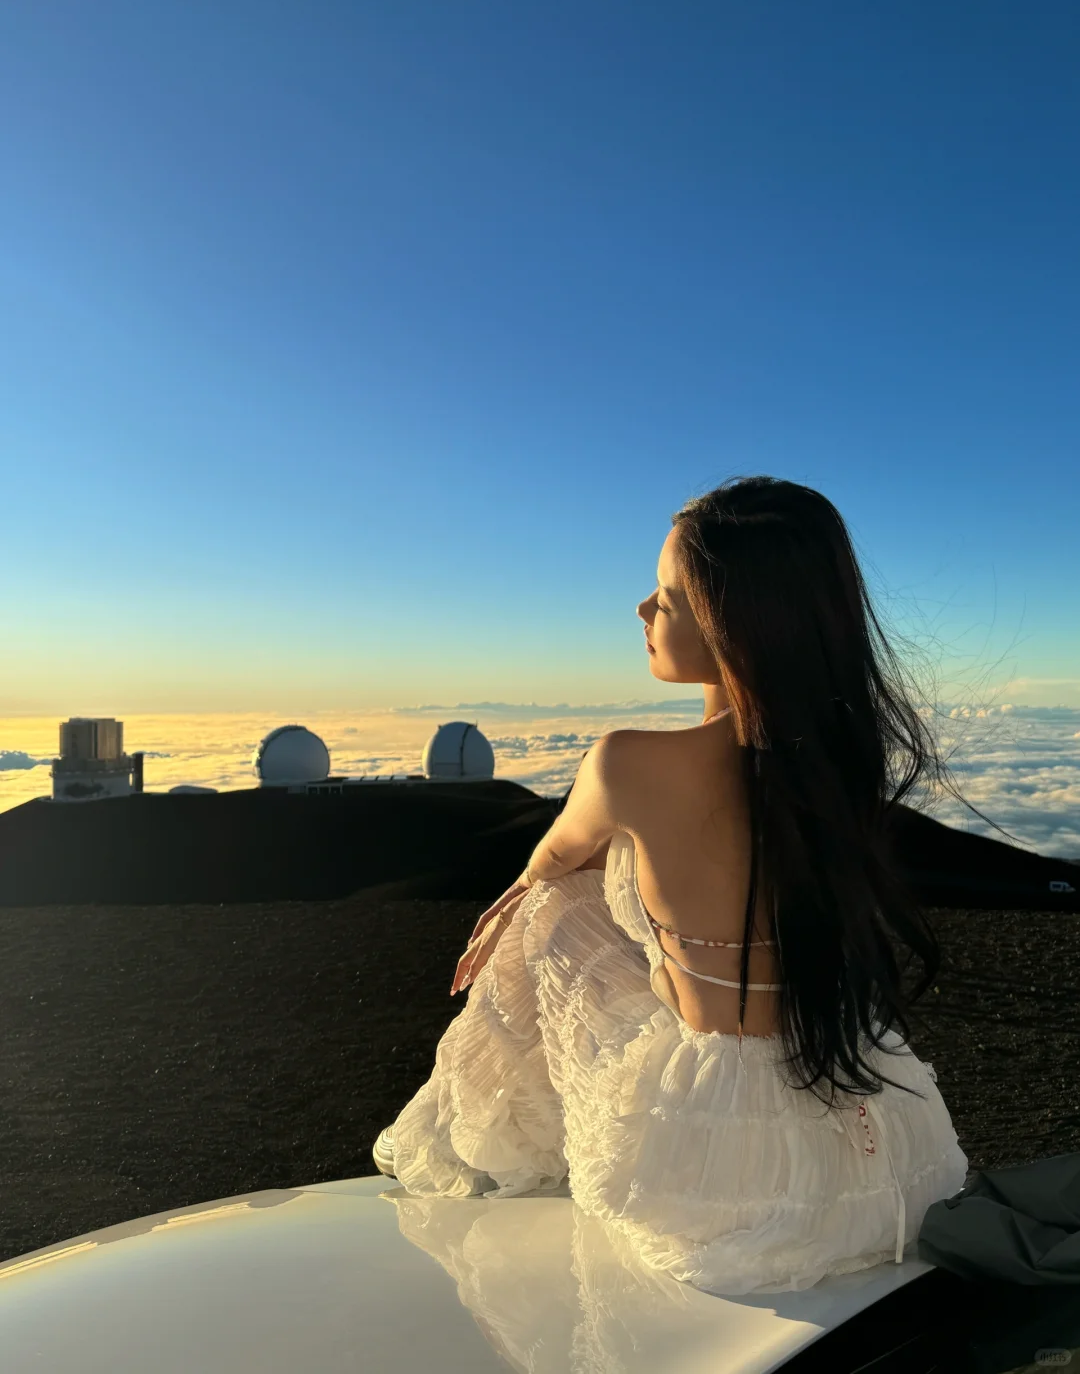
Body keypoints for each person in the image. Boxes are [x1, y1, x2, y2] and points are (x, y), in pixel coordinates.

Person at [373, 475, 976, 1296]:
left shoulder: (627, 764)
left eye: (668, 598)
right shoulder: (837, 767)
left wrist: (511, 906)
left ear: (737, 623)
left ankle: (483, 1150)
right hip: (887, 1162)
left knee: (549, 909)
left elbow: (556, 861)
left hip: (714, 1177)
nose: (642, 612)